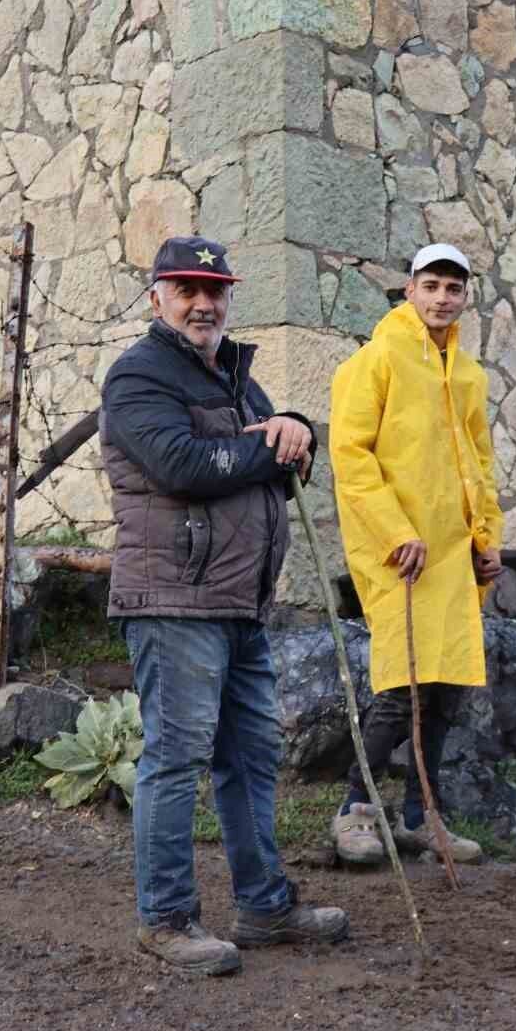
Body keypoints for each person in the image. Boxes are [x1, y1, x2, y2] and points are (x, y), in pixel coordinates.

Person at [100, 235, 349, 977]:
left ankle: (264, 905)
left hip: (241, 603)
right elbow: (181, 463)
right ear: (158, 298)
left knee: (251, 759)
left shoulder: (239, 378)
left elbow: (289, 448)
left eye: (214, 291)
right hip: (175, 600)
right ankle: (167, 919)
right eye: (185, 290)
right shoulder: (139, 376)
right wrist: (269, 447)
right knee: (175, 761)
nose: (202, 303)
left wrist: (294, 426)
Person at [325, 243, 505, 866]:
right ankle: (355, 811)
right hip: (401, 554)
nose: (442, 298)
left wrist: (488, 543)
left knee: (446, 689)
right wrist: (396, 531)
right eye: (431, 285)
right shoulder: (374, 361)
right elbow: (350, 456)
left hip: (454, 558)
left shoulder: (470, 375)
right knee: (401, 687)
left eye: (453, 288)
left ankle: (418, 817)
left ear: (465, 297)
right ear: (409, 290)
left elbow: (478, 467)